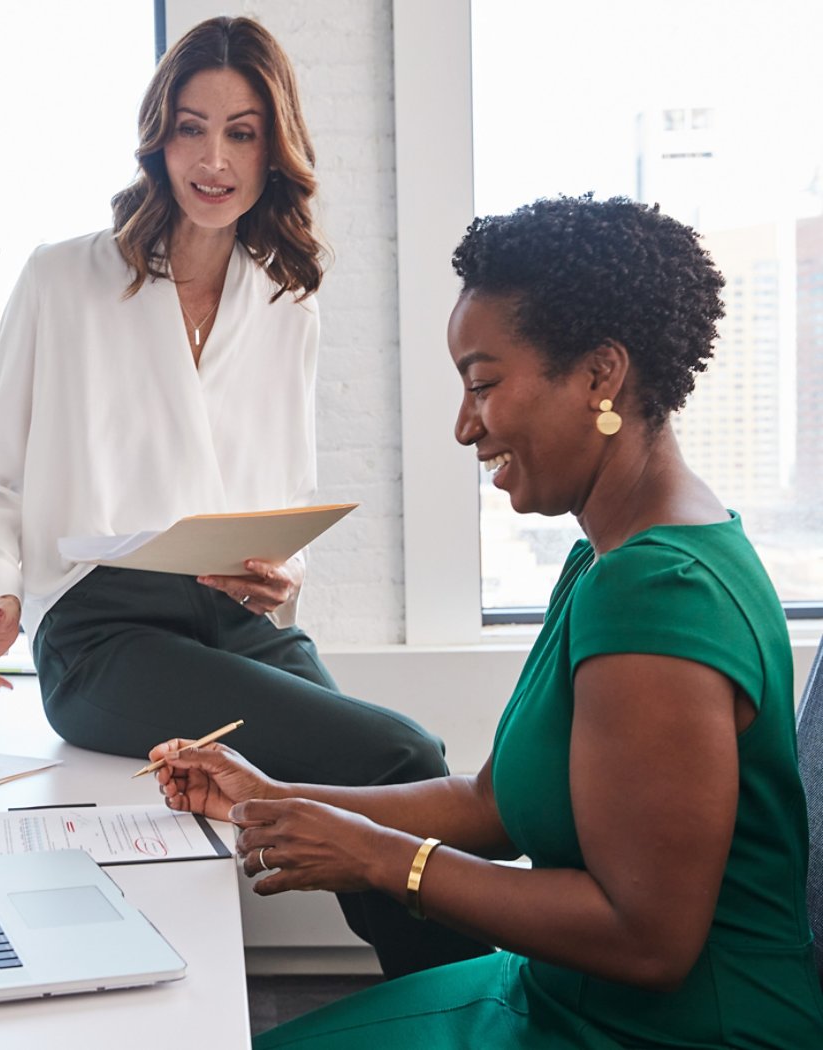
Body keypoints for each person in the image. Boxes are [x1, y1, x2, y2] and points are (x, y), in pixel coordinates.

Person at [150, 194, 823, 1048]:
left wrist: (375, 859)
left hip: (678, 1033)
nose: (465, 426)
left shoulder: (661, 596)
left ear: (600, 376)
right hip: (563, 998)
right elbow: (491, 804)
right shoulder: (609, 559)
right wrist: (274, 799)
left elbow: (647, 939)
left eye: (483, 385)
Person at [0, 16, 488, 978]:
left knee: (409, 766)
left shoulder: (284, 300)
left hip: (230, 614)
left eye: (241, 132)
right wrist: (1, 594)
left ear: (274, 147)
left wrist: (284, 574)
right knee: (398, 755)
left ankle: (439, 1001)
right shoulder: (63, 277)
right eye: (191, 128)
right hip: (103, 634)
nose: (214, 159)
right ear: (159, 135)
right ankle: (479, 1005)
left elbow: (279, 492)